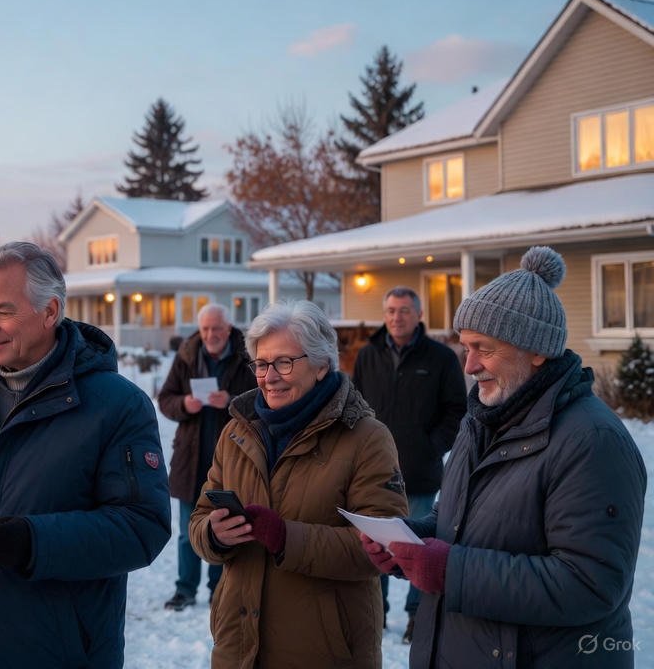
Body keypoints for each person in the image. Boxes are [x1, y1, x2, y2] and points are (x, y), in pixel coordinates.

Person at [361, 247, 646, 668]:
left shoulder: (592, 440)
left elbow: (591, 583)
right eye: (465, 347)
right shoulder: (484, 419)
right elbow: (453, 519)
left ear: (536, 351)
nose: (470, 365)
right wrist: (408, 540)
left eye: (484, 348)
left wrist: (449, 570)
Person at [0, 241, 171, 667]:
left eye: (3, 311)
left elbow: (141, 526)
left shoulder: (117, 405)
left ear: (50, 312)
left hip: (55, 650)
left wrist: (36, 542)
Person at [189, 300, 408, 668]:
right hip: (238, 648)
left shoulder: (365, 438)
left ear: (322, 365)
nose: (269, 376)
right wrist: (213, 534)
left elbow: (383, 547)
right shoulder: (237, 432)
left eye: (284, 362)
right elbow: (200, 517)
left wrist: (286, 537)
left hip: (324, 652)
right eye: (261, 363)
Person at [352, 286, 465, 642]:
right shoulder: (368, 355)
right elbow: (354, 405)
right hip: (375, 473)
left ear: (418, 315)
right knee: (377, 545)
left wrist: (431, 447)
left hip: (420, 471)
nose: (396, 317)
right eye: (390, 311)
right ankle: (377, 611)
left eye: (403, 310)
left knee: (417, 546)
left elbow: (456, 410)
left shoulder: (441, 358)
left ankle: (418, 614)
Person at [157, 303, 255, 611]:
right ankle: (185, 589)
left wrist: (232, 401)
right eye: (205, 329)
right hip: (192, 457)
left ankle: (219, 588)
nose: (211, 335)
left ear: (228, 329)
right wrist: (185, 404)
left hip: (232, 460)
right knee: (189, 532)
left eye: (217, 328)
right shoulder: (187, 356)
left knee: (224, 528)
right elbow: (165, 399)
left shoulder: (246, 355)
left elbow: (263, 399)